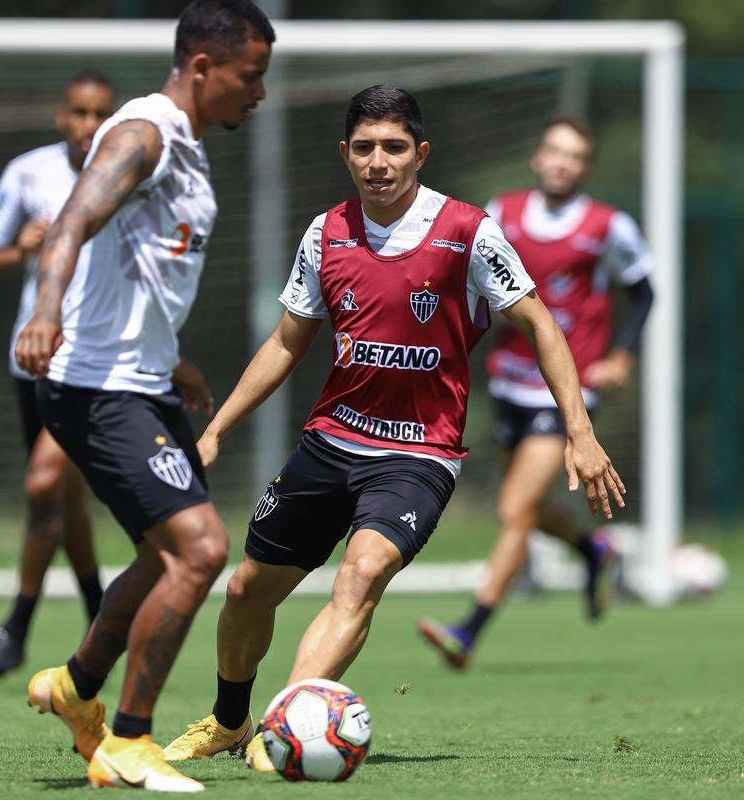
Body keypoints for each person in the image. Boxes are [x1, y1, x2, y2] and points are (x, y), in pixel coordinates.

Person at [161, 85, 626, 773]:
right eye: (365, 148)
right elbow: (288, 342)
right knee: (245, 590)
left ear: (421, 153)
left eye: (395, 147)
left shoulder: (468, 231)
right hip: (330, 441)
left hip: (419, 454)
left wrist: (580, 433)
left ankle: (284, 727)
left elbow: (541, 326)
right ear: (345, 154)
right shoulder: (327, 232)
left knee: (363, 571)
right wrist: (218, 428)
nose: (379, 161)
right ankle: (230, 720)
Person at [13, 0, 273, 791]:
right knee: (200, 550)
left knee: (166, 557)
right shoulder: (144, 133)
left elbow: (140, 272)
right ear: (202, 66)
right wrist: (47, 311)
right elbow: (67, 225)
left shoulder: (186, 147)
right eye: (249, 76)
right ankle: (129, 741)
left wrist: (172, 359)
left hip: (144, 379)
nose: (257, 94)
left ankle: (75, 688)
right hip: (96, 389)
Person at [418, 116, 655, 670]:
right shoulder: (502, 214)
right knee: (529, 509)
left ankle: (469, 630)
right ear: (538, 158)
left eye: (573, 155)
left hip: (564, 392)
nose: (560, 162)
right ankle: (593, 549)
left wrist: (620, 356)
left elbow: (644, 292)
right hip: (509, 384)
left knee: (515, 510)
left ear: (585, 168)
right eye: (553, 150)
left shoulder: (607, 226)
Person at [0, 69, 116, 679]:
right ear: (62, 117)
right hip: (32, 358)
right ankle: (102, 614)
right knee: (64, 497)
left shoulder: (127, 175)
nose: (89, 126)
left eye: (100, 114)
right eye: (79, 113)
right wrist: (19, 249)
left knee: (42, 483)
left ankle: (15, 629)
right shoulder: (30, 172)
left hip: (92, 360)